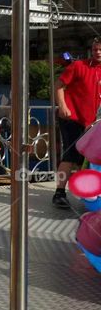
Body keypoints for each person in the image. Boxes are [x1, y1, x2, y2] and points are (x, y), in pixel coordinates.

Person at [55, 37, 101, 210]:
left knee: (94, 158)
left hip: (95, 122)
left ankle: (90, 193)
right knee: (70, 154)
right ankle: (59, 192)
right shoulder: (78, 66)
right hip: (72, 118)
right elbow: (59, 85)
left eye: (100, 50)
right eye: (95, 49)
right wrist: (63, 106)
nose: (97, 52)